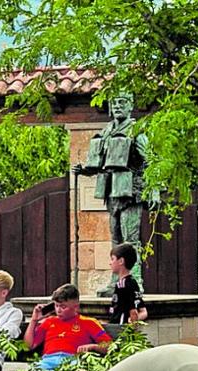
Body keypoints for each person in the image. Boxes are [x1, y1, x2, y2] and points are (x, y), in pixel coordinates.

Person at [73, 92, 151, 289]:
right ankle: (116, 280)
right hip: (112, 192)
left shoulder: (137, 132)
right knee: (116, 240)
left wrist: (154, 190)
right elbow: (101, 163)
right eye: (115, 102)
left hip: (130, 192)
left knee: (130, 239)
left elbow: (150, 161)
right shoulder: (106, 132)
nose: (117, 106)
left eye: (122, 102)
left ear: (130, 105)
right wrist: (84, 170)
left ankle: (135, 281)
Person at [23, 283, 112, 371]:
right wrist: (34, 320)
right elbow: (29, 345)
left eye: (63, 307)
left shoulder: (89, 323)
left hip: (73, 360)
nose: (58, 310)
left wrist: (93, 347)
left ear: (76, 307)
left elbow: (109, 345)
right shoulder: (49, 321)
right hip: (48, 360)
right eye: (56, 305)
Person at [107, 243, 148, 326]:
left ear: (121, 261)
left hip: (120, 327)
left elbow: (132, 310)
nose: (110, 263)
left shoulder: (122, 285)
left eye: (112, 259)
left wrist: (131, 322)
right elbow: (143, 312)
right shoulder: (132, 282)